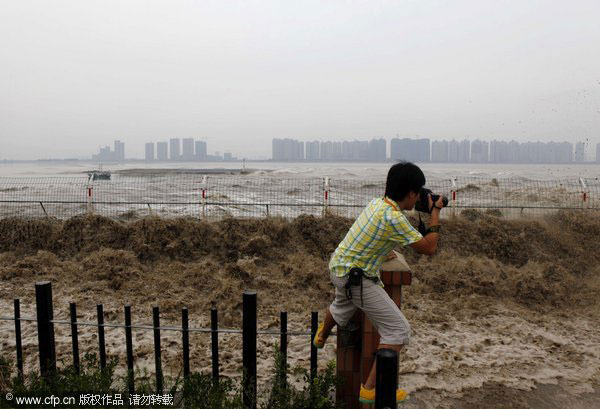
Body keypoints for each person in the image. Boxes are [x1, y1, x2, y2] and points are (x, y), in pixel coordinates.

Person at [312, 161, 443, 405]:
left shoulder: (377, 204)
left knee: (342, 304)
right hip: (356, 279)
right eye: (418, 193)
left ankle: (321, 335)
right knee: (398, 330)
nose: (418, 199)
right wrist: (435, 213)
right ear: (412, 193)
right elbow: (429, 247)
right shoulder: (395, 218)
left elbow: (372, 234)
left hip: (338, 266)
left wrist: (384, 251)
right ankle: (370, 389)